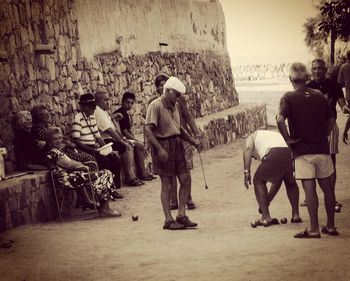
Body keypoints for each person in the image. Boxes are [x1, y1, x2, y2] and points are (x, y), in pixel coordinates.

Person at [277, 62, 338, 238]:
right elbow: (332, 120)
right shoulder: (320, 96)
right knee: (328, 189)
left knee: (309, 190)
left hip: (303, 151)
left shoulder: (288, 97)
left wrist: (288, 140)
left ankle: (313, 228)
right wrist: (323, 135)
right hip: (322, 149)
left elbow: (280, 120)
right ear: (307, 78)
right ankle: (331, 226)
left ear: (290, 79)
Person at [145, 76, 199, 230]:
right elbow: (148, 130)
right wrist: (159, 149)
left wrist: (191, 140)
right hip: (163, 144)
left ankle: (181, 215)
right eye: (176, 94)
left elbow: (179, 128)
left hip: (177, 144)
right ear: (168, 91)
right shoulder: (155, 106)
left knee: (185, 179)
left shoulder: (174, 106)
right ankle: (168, 220)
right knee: (167, 185)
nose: (178, 98)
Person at [301, 59, 350, 208]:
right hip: (312, 129)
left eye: (320, 68)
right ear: (311, 70)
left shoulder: (333, 85)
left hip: (330, 126)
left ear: (325, 69)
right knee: (309, 162)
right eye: (314, 69)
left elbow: (341, 101)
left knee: (330, 162)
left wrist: (344, 108)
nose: (317, 71)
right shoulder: (307, 87)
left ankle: (331, 197)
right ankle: (309, 197)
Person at [45, 127, 121, 217]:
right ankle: (104, 208)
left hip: (72, 177)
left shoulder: (58, 151)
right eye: (55, 139)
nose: (58, 141)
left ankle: (102, 204)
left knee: (104, 173)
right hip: (67, 180)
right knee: (105, 173)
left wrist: (79, 165)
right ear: (49, 141)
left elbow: (71, 164)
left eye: (60, 138)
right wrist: (83, 166)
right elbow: (69, 164)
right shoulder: (52, 152)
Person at [243, 130, 301, 226]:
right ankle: (296, 215)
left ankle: (265, 217)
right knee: (290, 182)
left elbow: (248, 148)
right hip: (288, 151)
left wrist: (246, 172)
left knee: (258, 180)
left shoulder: (250, 137)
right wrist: (267, 201)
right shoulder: (267, 135)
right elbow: (277, 180)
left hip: (273, 151)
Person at [71, 93, 123, 199]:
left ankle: (113, 188)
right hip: (84, 148)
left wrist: (108, 150)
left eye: (94, 106)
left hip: (94, 147)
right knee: (104, 162)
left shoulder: (92, 118)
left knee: (114, 158)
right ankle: (105, 190)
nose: (94, 109)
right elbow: (76, 140)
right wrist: (92, 150)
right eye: (92, 106)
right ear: (84, 107)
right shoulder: (78, 119)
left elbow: (98, 138)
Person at [94, 91, 144, 186]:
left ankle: (134, 175)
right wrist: (122, 141)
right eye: (105, 100)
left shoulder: (103, 111)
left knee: (126, 144)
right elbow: (109, 131)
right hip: (104, 140)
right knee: (124, 147)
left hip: (110, 138)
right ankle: (130, 177)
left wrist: (123, 139)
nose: (108, 102)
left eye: (108, 100)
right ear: (98, 101)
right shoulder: (98, 111)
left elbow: (114, 129)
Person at [31, 104, 97, 170]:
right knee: (89, 159)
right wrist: (66, 144)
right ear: (39, 116)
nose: (49, 115)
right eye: (46, 113)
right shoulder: (39, 130)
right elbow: (52, 143)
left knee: (91, 158)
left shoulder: (47, 126)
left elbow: (62, 137)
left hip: (65, 149)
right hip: (61, 151)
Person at [114, 92, 156, 181]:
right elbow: (124, 132)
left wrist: (135, 139)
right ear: (122, 102)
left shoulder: (125, 113)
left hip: (125, 137)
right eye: (127, 102)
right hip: (120, 138)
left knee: (142, 145)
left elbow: (129, 130)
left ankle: (145, 171)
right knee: (140, 145)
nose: (129, 105)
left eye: (131, 103)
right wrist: (135, 140)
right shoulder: (120, 113)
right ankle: (143, 173)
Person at [338, 50, 350, 143]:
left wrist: (347, 84)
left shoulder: (344, 67)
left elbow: (339, 82)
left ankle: (345, 133)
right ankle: (345, 133)